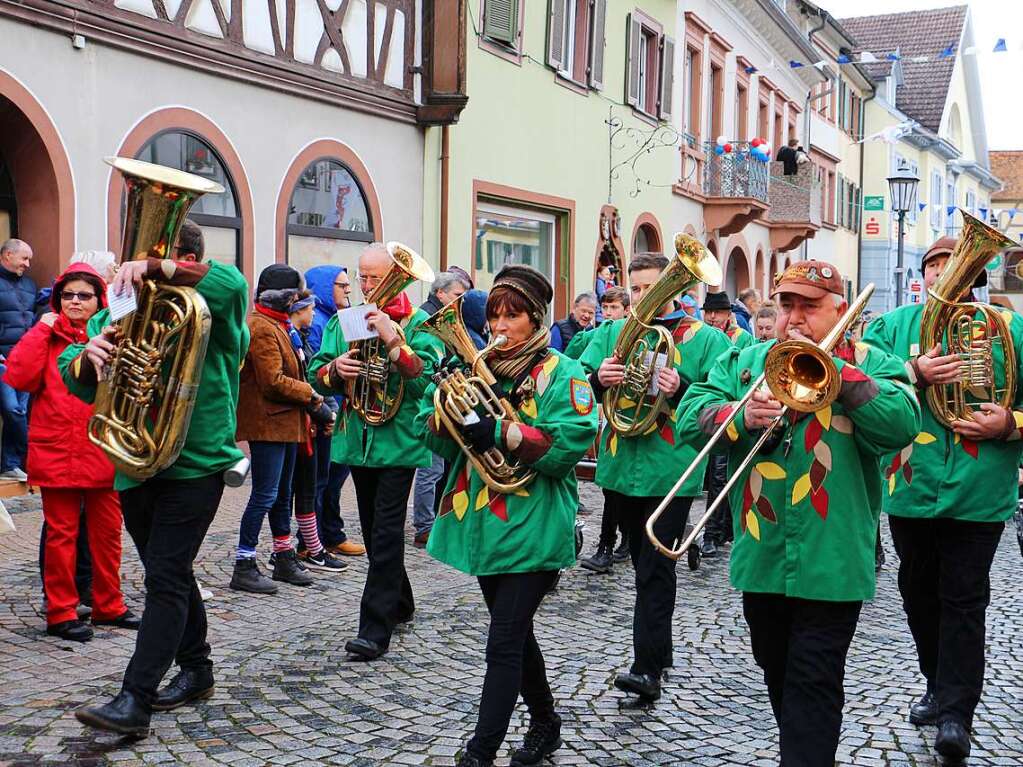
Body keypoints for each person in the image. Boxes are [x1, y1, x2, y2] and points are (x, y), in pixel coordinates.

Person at [677, 260, 921, 766]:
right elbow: (689, 413)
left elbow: (902, 423)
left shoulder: (874, 361)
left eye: (809, 306)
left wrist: (841, 373)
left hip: (833, 555)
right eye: (787, 304)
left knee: (814, 675)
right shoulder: (748, 361)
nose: (794, 317)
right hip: (761, 549)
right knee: (776, 666)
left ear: (841, 311)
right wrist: (737, 415)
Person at [63, 220, 249, 735]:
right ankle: (198, 668)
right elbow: (71, 371)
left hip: (196, 465)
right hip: (134, 464)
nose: (133, 268)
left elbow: (231, 282)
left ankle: (134, 700)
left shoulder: (213, 302)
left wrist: (154, 269)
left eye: (148, 258)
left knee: (164, 576)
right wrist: (89, 357)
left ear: (181, 260)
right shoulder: (122, 307)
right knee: (174, 571)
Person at [418, 264, 597, 767]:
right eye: (495, 316)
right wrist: (446, 409)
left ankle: (480, 752)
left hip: (536, 522)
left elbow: (568, 446)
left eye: (512, 316)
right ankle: (546, 721)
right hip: (486, 525)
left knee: (502, 642)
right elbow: (428, 436)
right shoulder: (479, 367)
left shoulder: (565, 372)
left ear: (536, 319)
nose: (499, 326)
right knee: (514, 632)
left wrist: (498, 432)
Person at [862, 236, 1023, 761]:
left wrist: (1011, 423)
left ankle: (957, 711)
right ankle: (936, 681)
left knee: (964, 598)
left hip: (980, 488)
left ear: (974, 275)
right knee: (917, 591)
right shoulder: (891, 328)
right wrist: (913, 375)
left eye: (952, 267)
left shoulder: (1012, 330)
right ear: (922, 274)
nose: (940, 275)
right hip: (910, 484)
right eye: (933, 266)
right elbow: (866, 390)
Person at [579, 253, 730, 705]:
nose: (643, 297)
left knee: (654, 567)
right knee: (643, 559)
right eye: (638, 289)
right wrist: (597, 379)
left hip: (672, 468)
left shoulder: (705, 339)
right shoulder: (610, 332)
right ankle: (657, 653)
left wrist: (681, 388)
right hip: (620, 464)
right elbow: (574, 384)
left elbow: (719, 403)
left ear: (676, 288)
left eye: (651, 288)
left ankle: (645, 667)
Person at [308, 242, 444, 661]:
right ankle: (400, 601)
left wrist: (392, 340)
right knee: (372, 531)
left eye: (375, 277)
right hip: (358, 439)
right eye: (362, 277)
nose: (367, 285)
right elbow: (317, 372)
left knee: (385, 533)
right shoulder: (346, 320)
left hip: (399, 442)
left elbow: (427, 380)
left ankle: (374, 628)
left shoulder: (420, 322)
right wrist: (335, 371)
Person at [3, 262, 136, 642]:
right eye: (68, 295)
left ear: (99, 300)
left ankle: (109, 605)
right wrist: (41, 329)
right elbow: (19, 376)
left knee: (108, 533)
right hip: (57, 449)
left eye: (84, 295)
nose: (75, 301)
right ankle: (60, 612)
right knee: (62, 534)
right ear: (58, 299)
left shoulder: (112, 333)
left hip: (101, 448)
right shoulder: (47, 333)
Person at [232, 267, 339, 594]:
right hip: (268, 424)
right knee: (264, 494)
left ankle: (283, 556)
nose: (299, 300)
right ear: (281, 297)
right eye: (295, 294)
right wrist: (312, 395)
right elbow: (273, 380)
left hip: (286, 423)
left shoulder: (279, 325)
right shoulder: (261, 327)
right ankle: (244, 562)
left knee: (281, 494)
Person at [304, 264, 365, 557]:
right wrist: (325, 413)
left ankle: (331, 533)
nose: (349, 289)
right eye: (341, 285)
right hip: (326, 414)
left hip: (339, 412)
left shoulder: (339, 318)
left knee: (333, 480)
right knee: (321, 481)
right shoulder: (319, 322)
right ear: (325, 287)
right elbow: (314, 372)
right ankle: (314, 540)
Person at [287, 291, 348, 573]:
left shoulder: (298, 335)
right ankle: (290, 549)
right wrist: (325, 411)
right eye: (309, 309)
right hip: (301, 424)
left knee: (314, 484)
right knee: (284, 493)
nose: (313, 314)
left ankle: (313, 545)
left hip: (312, 421)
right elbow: (297, 382)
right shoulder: (287, 334)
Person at [413, 271, 471, 548]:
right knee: (430, 469)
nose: (461, 302)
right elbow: (431, 362)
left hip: (441, 397)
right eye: (457, 296)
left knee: (436, 468)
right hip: (430, 399)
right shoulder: (427, 319)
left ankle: (431, 520)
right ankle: (424, 526)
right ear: (440, 293)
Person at [0, 238, 37, 480]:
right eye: (24, 258)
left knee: (22, 409)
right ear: (7, 256)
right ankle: (33, 455)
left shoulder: (31, 285)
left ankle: (10, 464)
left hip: (25, 359)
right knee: (13, 409)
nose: (27, 264)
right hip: (2, 359)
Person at [563, 286, 629, 360]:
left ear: (626, 310)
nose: (608, 313)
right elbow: (568, 366)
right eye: (604, 307)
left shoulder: (634, 335)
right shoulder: (586, 338)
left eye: (614, 307)